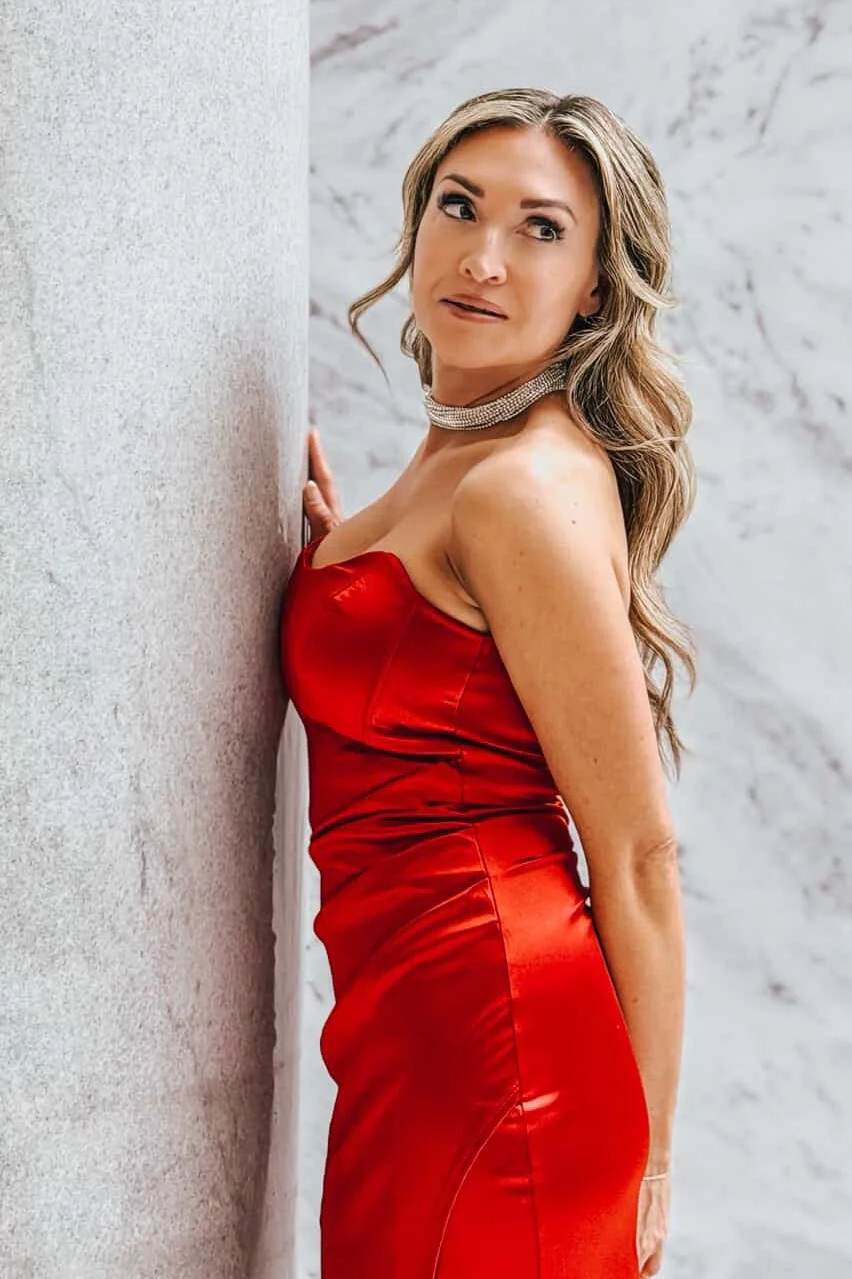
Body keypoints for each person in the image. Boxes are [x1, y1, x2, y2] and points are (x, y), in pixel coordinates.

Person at [279, 87, 695, 1278]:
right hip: (414, 1026)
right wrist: (341, 572)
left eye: (541, 229)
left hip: (498, 1039)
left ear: (600, 287)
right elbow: (439, 681)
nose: (484, 257)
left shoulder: (516, 487)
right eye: (458, 207)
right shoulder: (466, 450)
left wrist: (652, 1154)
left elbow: (637, 855)